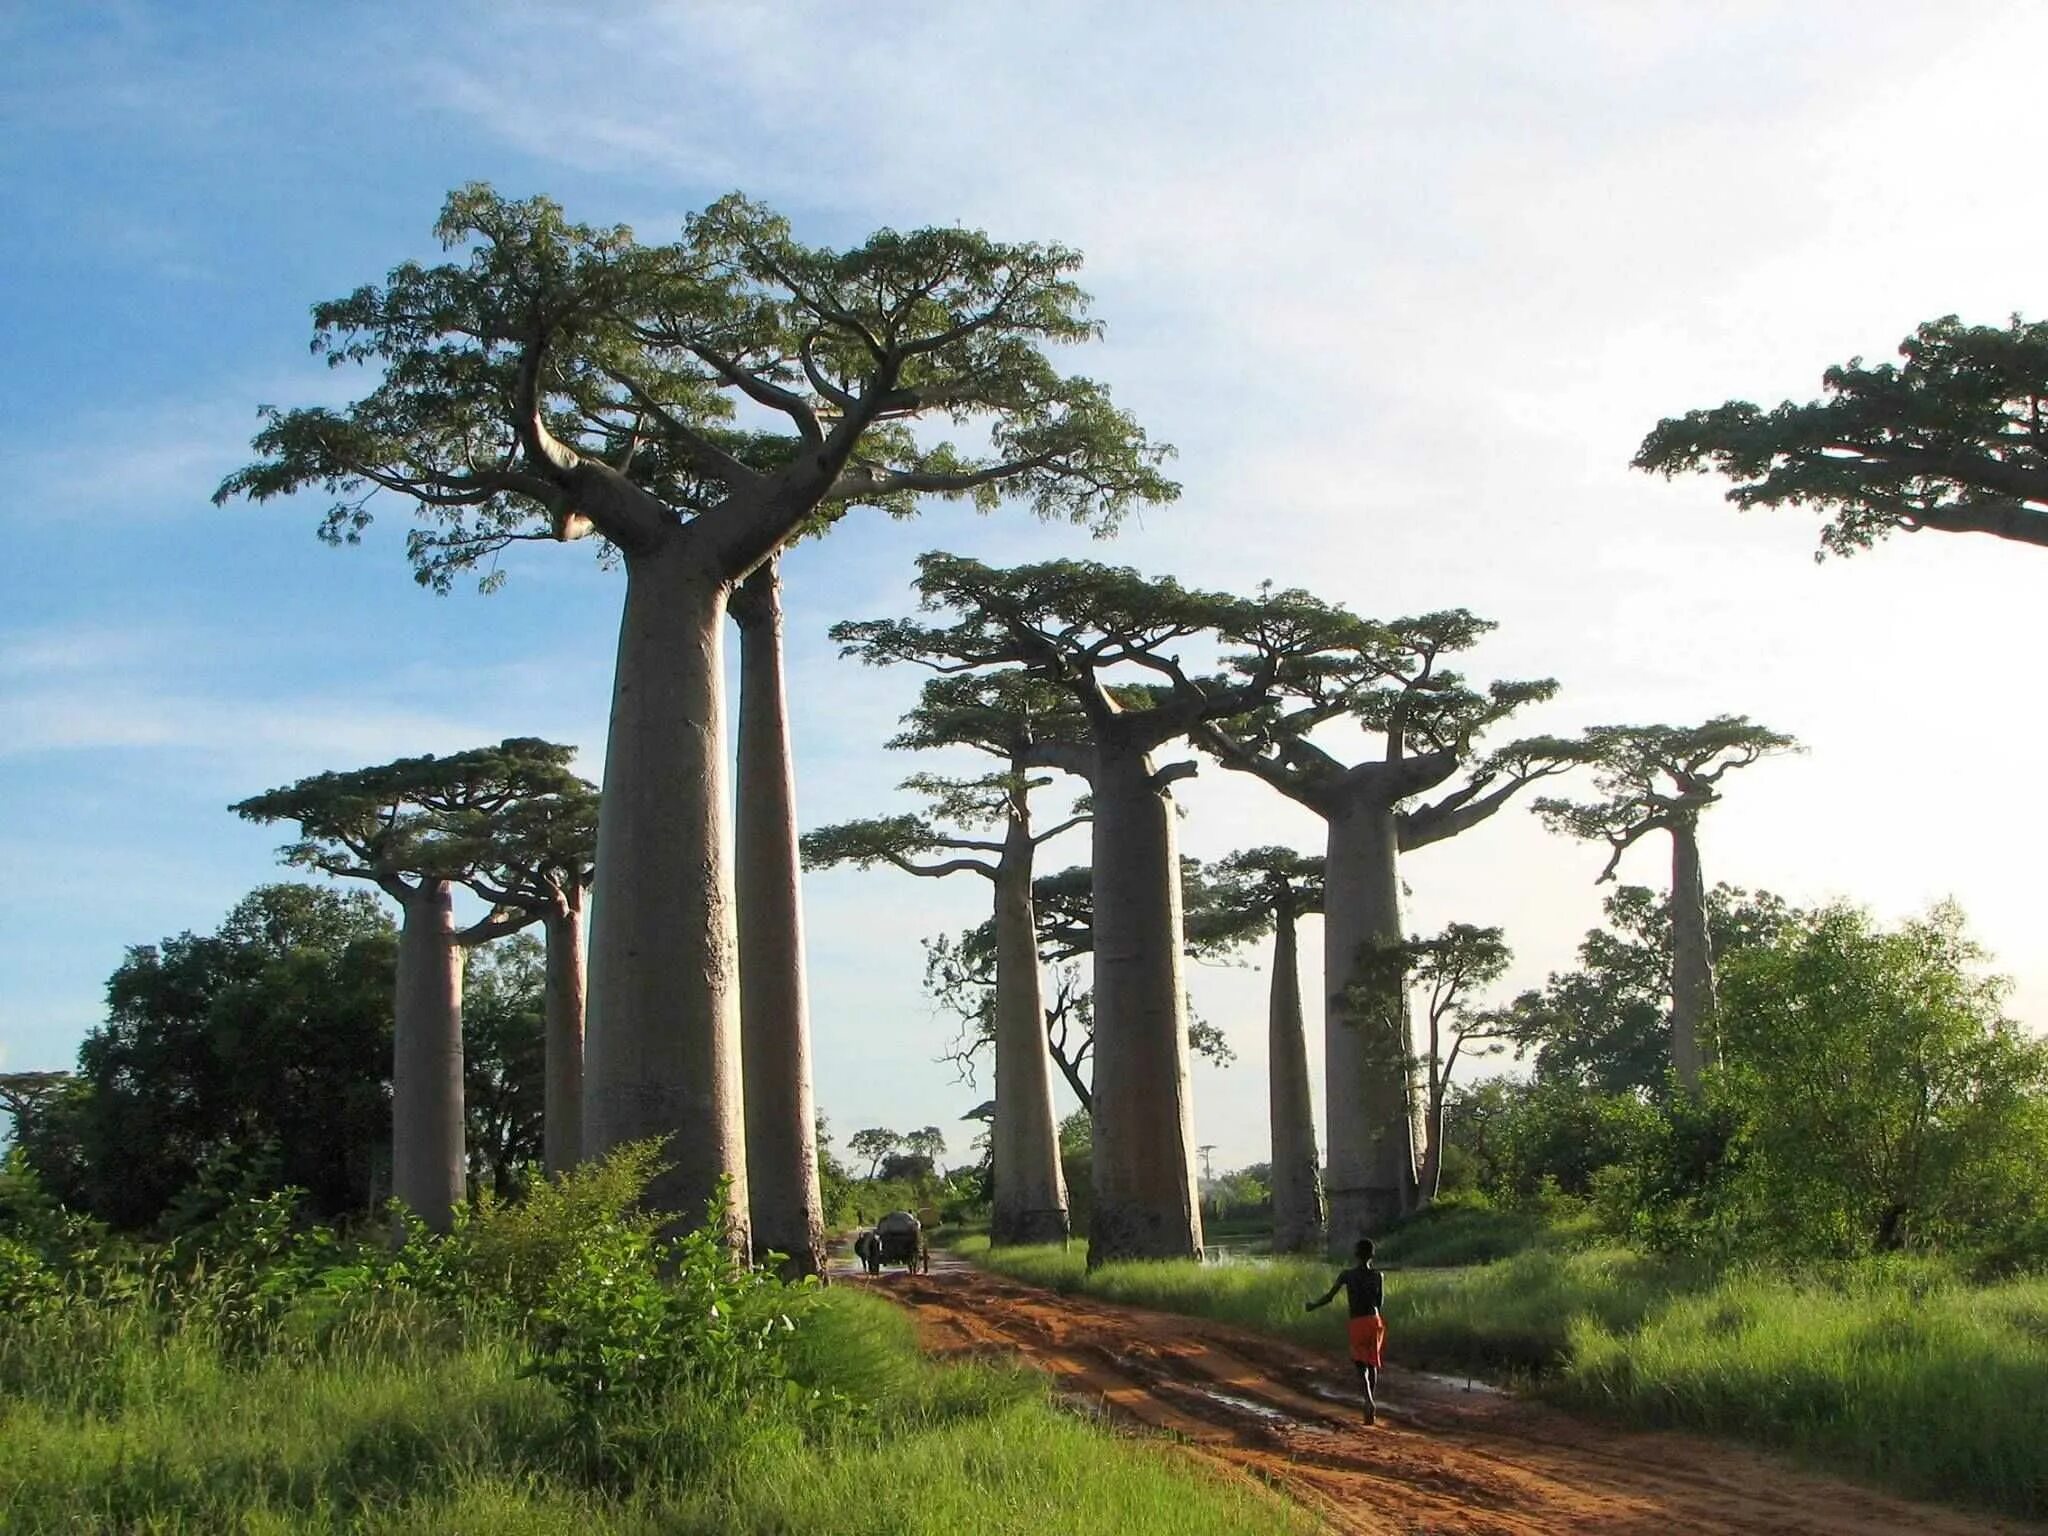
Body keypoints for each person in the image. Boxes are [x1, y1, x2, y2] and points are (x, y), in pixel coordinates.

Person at [1306, 1237, 1386, 1423]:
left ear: (1356, 1254)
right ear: (1372, 1255)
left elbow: (1329, 1297)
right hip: (1374, 1321)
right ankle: (1370, 1401)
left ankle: (1368, 1400)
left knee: (1360, 1365)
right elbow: (1379, 1303)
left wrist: (1313, 1305)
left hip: (1357, 1321)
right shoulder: (1378, 1276)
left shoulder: (1347, 1275)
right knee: (1372, 1363)